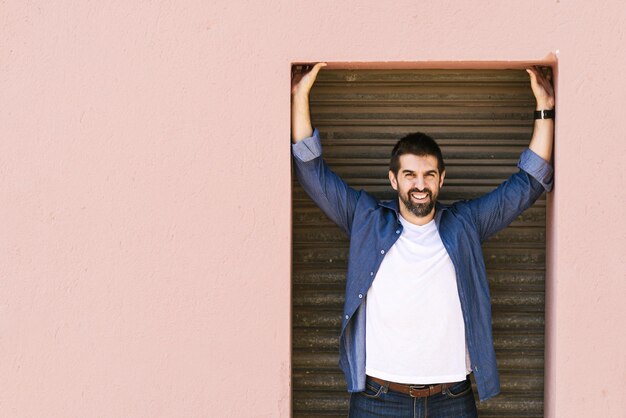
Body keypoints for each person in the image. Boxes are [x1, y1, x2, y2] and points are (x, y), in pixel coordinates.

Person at [291, 63, 554, 418]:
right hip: (376, 399)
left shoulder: (466, 224)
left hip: (452, 399)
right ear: (393, 180)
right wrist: (300, 96)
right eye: (410, 174)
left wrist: (544, 109)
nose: (420, 184)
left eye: (429, 174)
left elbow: (527, 185)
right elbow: (311, 171)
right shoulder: (366, 220)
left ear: (441, 179)